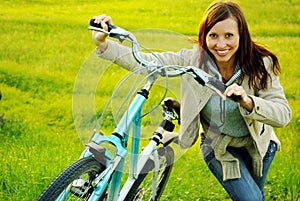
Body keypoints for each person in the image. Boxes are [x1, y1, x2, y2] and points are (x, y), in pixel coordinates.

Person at [91, 1, 291, 200]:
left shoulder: (261, 65)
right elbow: (149, 63)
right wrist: (104, 44)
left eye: (229, 35)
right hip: (218, 147)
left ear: (241, 35)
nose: (221, 45)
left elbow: (283, 114)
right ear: (204, 36)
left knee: (256, 195)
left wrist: (248, 101)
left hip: (259, 147)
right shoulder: (192, 60)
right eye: (213, 36)